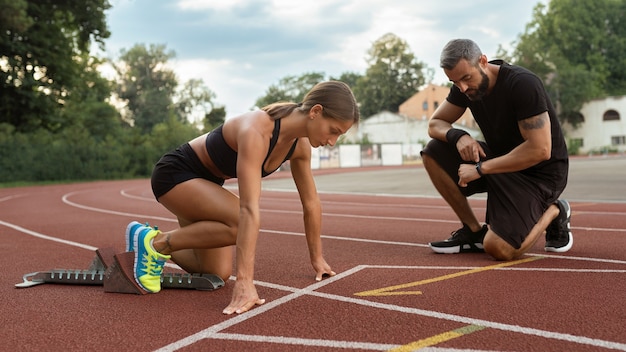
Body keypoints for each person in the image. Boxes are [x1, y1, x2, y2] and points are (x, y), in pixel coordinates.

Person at [125, 81, 359, 314]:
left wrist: (317, 258)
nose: (332, 142)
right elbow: (248, 209)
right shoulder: (257, 130)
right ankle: (154, 244)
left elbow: (311, 203)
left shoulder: (299, 147)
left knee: (216, 272)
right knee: (240, 221)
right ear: (316, 112)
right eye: (333, 131)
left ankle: (148, 240)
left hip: (207, 183)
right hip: (176, 174)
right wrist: (245, 282)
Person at [421, 38, 572, 260]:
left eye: (466, 78)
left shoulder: (522, 84)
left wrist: (481, 169)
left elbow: (540, 150)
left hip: (540, 176)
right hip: (501, 164)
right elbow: (435, 124)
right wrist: (459, 136)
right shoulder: (464, 89)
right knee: (433, 150)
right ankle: (473, 231)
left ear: (482, 61)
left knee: (499, 248)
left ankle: (555, 210)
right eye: (454, 82)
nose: (462, 88)